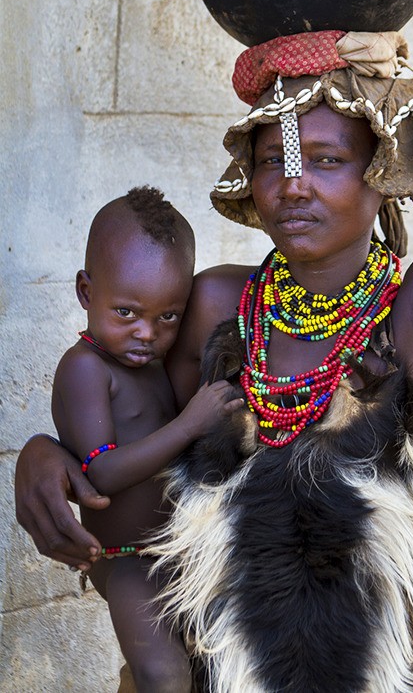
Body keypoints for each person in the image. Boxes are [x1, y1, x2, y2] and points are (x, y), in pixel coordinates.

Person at [15, 0, 413, 693]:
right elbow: (112, 420)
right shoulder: (214, 309)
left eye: (325, 161)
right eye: (273, 161)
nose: (293, 186)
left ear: (378, 173)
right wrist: (43, 459)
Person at [49, 186, 243, 693]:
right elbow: (101, 472)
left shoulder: (156, 362)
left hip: (175, 550)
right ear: (87, 293)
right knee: (162, 675)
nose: (147, 334)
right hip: (128, 557)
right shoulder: (85, 370)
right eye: (127, 313)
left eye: (168, 317)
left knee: (209, 670)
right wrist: (188, 425)